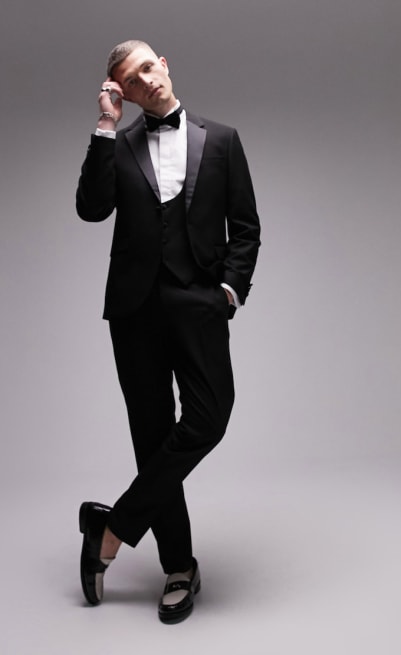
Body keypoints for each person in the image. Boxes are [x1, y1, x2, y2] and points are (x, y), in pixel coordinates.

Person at [76, 39, 260, 624]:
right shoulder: (119, 143)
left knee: (209, 418)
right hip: (135, 312)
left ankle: (112, 528)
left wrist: (227, 292)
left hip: (198, 304)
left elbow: (246, 227)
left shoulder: (222, 139)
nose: (146, 80)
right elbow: (91, 208)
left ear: (165, 65)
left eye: (149, 67)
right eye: (131, 80)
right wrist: (106, 128)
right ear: (124, 93)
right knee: (152, 438)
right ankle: (179, 567)